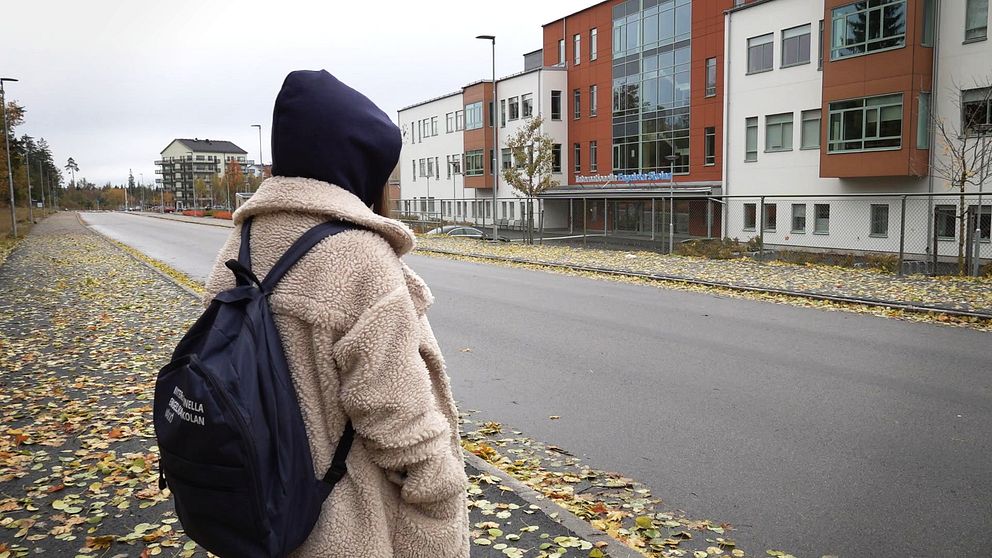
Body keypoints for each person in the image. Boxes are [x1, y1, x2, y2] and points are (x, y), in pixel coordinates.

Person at [204, 70, 469, 557]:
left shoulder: (238, 244)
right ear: (358, 165)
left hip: (266, 508)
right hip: (346, 525)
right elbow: (397, 413)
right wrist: (441, 494)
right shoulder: (359, 258)